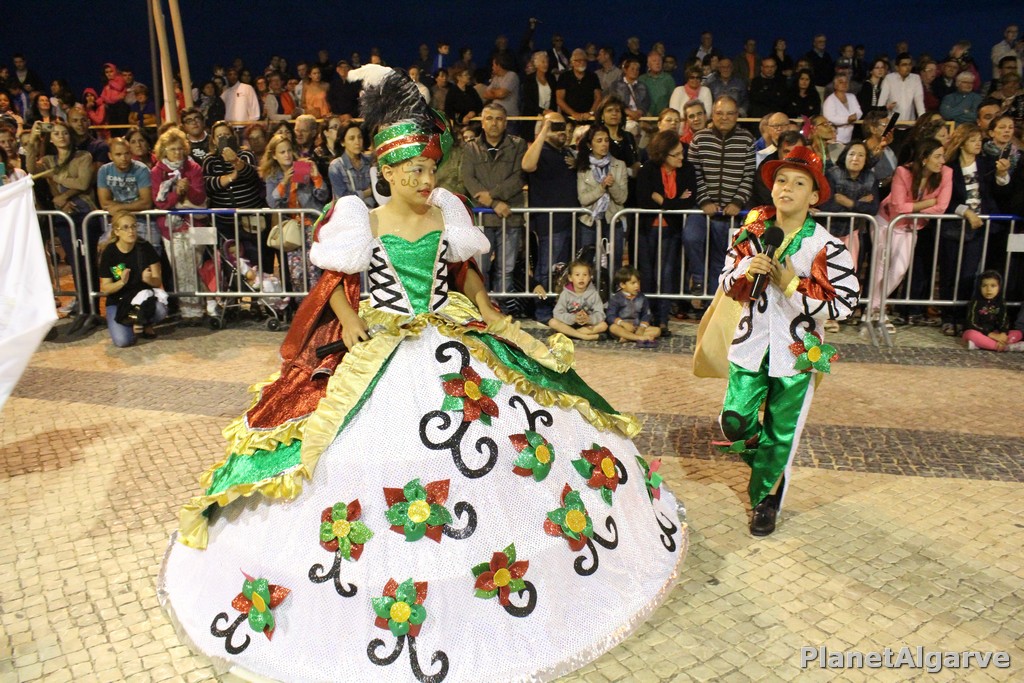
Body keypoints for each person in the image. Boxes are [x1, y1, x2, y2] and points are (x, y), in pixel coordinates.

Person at [161, 64, 685, 682]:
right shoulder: (361, 217)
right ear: (386, 171)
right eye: (412, 170)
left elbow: (464, 273)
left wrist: (490, 312)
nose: (424, 179)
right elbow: (335, 280)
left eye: (430, 168)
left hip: (446, 330)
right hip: (385, 336)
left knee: (511, 423)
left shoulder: (446, 213)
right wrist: (348, 322)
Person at [713, 145, 858, 536]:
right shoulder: (752, 232)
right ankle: (770, 467)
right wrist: (746, 269)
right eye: (781, 180)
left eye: (798, 183)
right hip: (750, 345)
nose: (786, 188)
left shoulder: (826, 246)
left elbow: (845, 305)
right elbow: (725, 282)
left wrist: (792, 284)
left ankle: (766, 500)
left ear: (814, 196)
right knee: (734, 422)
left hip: (798, 354)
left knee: (782, 432)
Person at [871, 139, 953, 329]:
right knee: (881, 267)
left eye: (943, 156)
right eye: (937, 156)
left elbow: (941, 208)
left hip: (911, 226)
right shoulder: (903, 172)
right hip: (887, 221)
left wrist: (914, 208)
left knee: (899, 270)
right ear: (924, 158)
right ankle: (875, 311)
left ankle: (874, 307)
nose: (942, 161)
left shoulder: (946, 173)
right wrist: (927, 203)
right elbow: (898, 207)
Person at [687, 96, 755, 301]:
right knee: (691, 238)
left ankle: (711, 303)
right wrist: (705, 201)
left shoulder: (747, 140)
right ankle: (697, 278)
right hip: (701, 207)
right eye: (719, 113)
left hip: (731, 212)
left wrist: (737, 202)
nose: (724, 117)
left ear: (737, 116)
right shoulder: (699, 139)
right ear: (712, 115)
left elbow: (748, 175)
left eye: (729, 113)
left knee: (721, 259)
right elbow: (693, 174)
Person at [939, 123, 1000, 335]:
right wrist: (965, 211)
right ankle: (947, 317)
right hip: (954, 227)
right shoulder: (950, 167)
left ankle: (964, 316)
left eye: (979, 140)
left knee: (969, 274)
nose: (978, 144)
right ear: (962, 142)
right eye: (973, 140)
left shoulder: (986, 164)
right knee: (949, 273)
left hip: (979, 229)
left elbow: (996, 191)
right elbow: (945, 199)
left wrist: (1002, 175)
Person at [461, 103, 527, 295]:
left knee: (506, 270)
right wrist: (493, 203)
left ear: (505, 123)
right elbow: (468, 179)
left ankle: (503, 308)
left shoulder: (518, 145)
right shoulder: (470, 147)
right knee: (481, 269)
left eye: (499, 119)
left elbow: (519, 177)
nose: (494, 123)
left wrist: (492, 196)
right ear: (482, 123)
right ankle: (483, 307)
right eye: (489, 118)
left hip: (510, 216)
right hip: (482, 218)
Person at [638, 130, 698, 332]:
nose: (682, 157)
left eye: (682, 152)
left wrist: (662, 201)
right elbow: (643, 200)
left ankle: (663, 319)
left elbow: (688, 202)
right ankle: (647, 317)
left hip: (672, 230)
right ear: (663, 155)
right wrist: (675, 202)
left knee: (667, 274)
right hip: (647, 229)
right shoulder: (648, 169)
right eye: (676, 154)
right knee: (648, 275)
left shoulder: (687, 169)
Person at [261, 132, 330, 292]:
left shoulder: (302, 167)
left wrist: (316, 177)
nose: (287, 155)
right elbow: (272, 203)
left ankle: (316, 304)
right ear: (274, 156)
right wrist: (284, 182)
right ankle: (301, 304)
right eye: (282, 152)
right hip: (292, 228)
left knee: (314, 271)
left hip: (311, 224)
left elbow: (322, 196)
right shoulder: (273, 176)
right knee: (296, 273)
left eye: (288, 150)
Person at [151, 127, 207, 321]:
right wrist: (177, 193)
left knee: (197, 268)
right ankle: (188, 311)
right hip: (171, 228)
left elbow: (200, 198)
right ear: (164, 150)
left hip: (195, 225)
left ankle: (202, 308)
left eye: (180, 148)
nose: (177, 153)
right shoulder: (157, 171)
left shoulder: (194, 168)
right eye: (172, 149)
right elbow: (161, 203)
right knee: (180, 270)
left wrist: (188, 188)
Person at [819, 142, 878, 318]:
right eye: (852, 154)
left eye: (861, 155)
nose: (855, 158)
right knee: (826, 272)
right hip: (829, 231)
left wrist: (848, 202)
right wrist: (860, 203)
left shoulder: (870, 178)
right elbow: (827, 205)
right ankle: (825, 313)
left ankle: (841, 311)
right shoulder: (832, 174)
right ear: (845, 156)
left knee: (848, 273)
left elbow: (873, 208)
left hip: (852, 233)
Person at [97, 212, 167, 346]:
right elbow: (105, 288)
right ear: (117, 231)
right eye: (126, 227)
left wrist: (148, 280)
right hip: (118, 301)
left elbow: (157, 281)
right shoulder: (109, 252)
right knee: (122, 341)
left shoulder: (145, 247)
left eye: (134, 226)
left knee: (161, 310)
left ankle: (144, 322)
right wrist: (121, 282)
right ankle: (132, 323)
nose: (131, 231)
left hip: (142, 299)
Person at [577, 123, 628, 275]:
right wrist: (602, 187)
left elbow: (622, 198)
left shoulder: (619, 165)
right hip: (589, 221)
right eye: (599, 141)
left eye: (606, 140)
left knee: (615, 263)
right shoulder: (583, 167)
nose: (604, 144)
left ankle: (612, 289)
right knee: (585, 263)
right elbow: (583, 199)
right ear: (590, 144)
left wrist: (612, 185)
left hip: (613, 220)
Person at [97, 137, 157, 249]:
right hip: (118, 221)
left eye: (127, 154)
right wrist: (132, 206)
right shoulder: (104, 171)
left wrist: (119, 208)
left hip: (142, 220)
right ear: (110, 156)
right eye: (118, 154)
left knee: (150, 248)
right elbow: (105, 203)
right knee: (104, 247)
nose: (123, 158)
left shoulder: (142, 170)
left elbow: (146, 203)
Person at [547, 259, 608, 340]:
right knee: (552, 322)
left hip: (586, 325)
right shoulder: (565, 294)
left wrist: (589, 319)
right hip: (569, 324)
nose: (581, 278)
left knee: (603, 325)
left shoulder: (594, 294)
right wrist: (573, 318)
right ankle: (584, 336)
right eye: (577, 275)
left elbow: (600, 314)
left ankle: (571, 334)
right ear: (570, 278)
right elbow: (557, 313)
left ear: (589, 277)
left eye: (585, 275)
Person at [963, 271, 1022, 350]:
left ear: (999, 287)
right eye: (984, 286)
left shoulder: (1001, 302)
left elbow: (1004, 321)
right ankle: (1005, 347)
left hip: (996, 333)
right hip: (981, 332)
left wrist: (1003, 333)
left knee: (1018, 333)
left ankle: (983, 344)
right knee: (970, 334)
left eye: (993, 286)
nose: (988, 289)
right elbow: (971, 323)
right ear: (979, 287)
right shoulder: (975, 302)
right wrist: (990, 334)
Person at [606, 266, 661, 346]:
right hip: (623, 327)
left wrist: (642, 327)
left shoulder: (642, 297)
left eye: (638, 282)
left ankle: (628, 338)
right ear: (622, 285)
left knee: (657, 330)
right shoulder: (616, 298)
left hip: (637, 328)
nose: (637, 285)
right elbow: (610, 316)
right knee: (613, 328)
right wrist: (623, 324)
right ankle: (639, 338)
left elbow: (647, 314)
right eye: (633, 283)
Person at [328, 123, 375, 207]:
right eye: (352, 138)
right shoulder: (336, 166)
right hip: (349, 211)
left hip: (373, 209)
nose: (357, 142)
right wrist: (367, 193)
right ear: (342, 142)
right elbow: (343, 198)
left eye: (360, 137)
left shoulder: (371, 160)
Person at [556, 49, 602, 122]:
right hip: (569, 119)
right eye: (579, 60)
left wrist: (590, 113)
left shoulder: (593, 77)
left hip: (589, 119)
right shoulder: (564, 77)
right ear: (572, 63)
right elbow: (559, 99)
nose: (582, 63)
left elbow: (598, 97)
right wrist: (573, 114)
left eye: (584, 60)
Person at [879, 53, 926, 121]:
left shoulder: (915, 78)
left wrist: (923, 120)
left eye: (909, 64)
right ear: (897, 67)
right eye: (904, 65)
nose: (908, 67)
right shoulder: (889, 79)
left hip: (909, 122)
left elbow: (919, 103)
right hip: (891, 123)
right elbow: (881, 102)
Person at [822, 74, 862, 144]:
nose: (844, 84)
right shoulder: (830, 100)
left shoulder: (852, 97)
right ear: (835, 85)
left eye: (846, 82)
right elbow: (830, 118)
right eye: (841, 82)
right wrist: (847, 119)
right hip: (835, 137)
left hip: (850, 136)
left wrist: (855, 116)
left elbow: (859, 112)